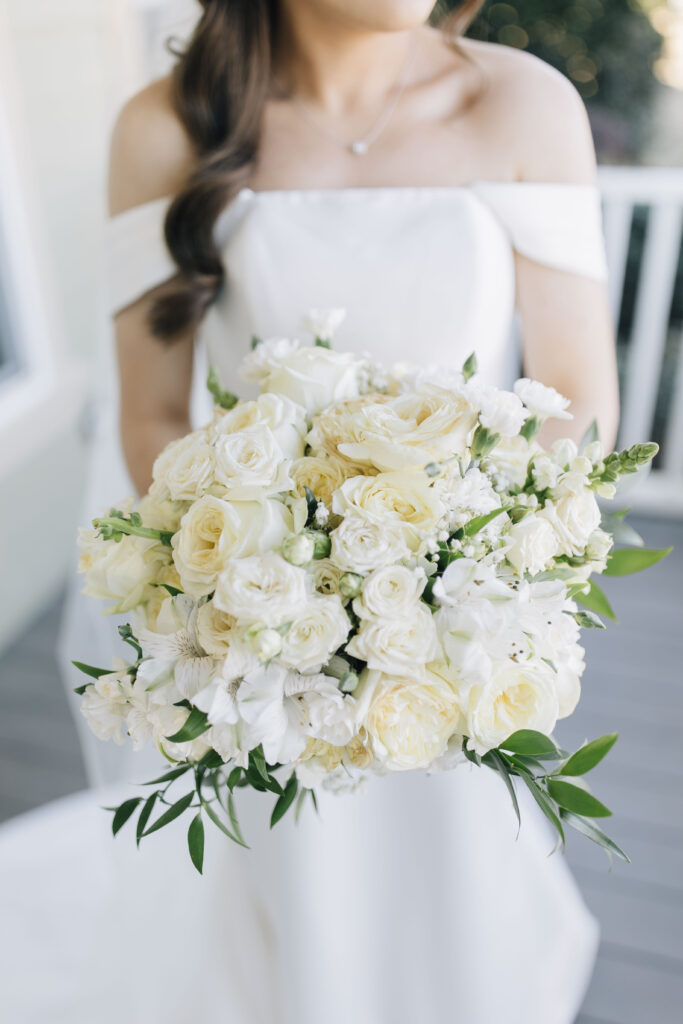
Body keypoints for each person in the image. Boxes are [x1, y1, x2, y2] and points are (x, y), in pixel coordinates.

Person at [5, 2, 620, 1022]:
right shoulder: (164, 128)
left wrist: (457, 577)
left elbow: (574, 395)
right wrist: (290, 601)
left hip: (462, 613)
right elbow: (153, 411)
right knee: (299, 907)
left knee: (458, 896)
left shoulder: (522, 105)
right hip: (270, 631)